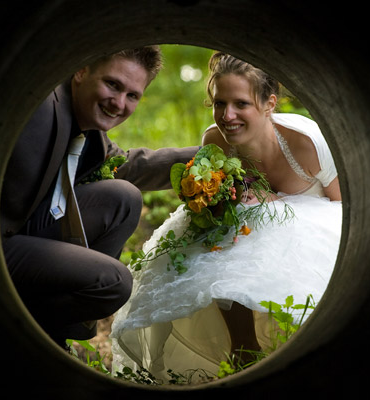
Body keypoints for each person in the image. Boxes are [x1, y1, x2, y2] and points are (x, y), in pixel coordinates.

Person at [110, 52, 343, 381]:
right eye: (220, 103)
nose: (227, 115)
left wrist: (273, 202)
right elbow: (217, 202)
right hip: (248, 232)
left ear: (269, 103)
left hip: (316, 231)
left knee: (257, 220)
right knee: (229, 224)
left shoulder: (307, 143)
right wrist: (213, 201)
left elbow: (345, 208)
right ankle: (243, 350)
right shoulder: (215, 141)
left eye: (241, 104)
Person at [0, 46, 199, 348]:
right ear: (81, 70)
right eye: (113, 85)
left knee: (123, 197)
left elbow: (129, 167)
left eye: (132, 95)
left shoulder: (87, 128)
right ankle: (16, 331)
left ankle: (53, 335)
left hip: (26, 228)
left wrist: (210, 153)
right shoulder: (39, 106)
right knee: (113, 283)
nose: (119, 103)